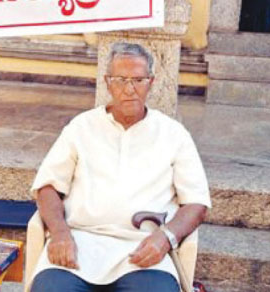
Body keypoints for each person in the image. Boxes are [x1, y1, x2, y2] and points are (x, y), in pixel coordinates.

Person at [30, 42, 211, 292]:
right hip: (79, 244)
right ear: (107, 82)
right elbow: (48, 187)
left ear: (151, 82)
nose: (129, 89)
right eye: (120, 79)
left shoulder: (173, 134)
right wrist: (60, 233)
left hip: (143, 251)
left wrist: (165, 237)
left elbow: (197, 203)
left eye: (138, 80)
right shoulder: (81, 127)